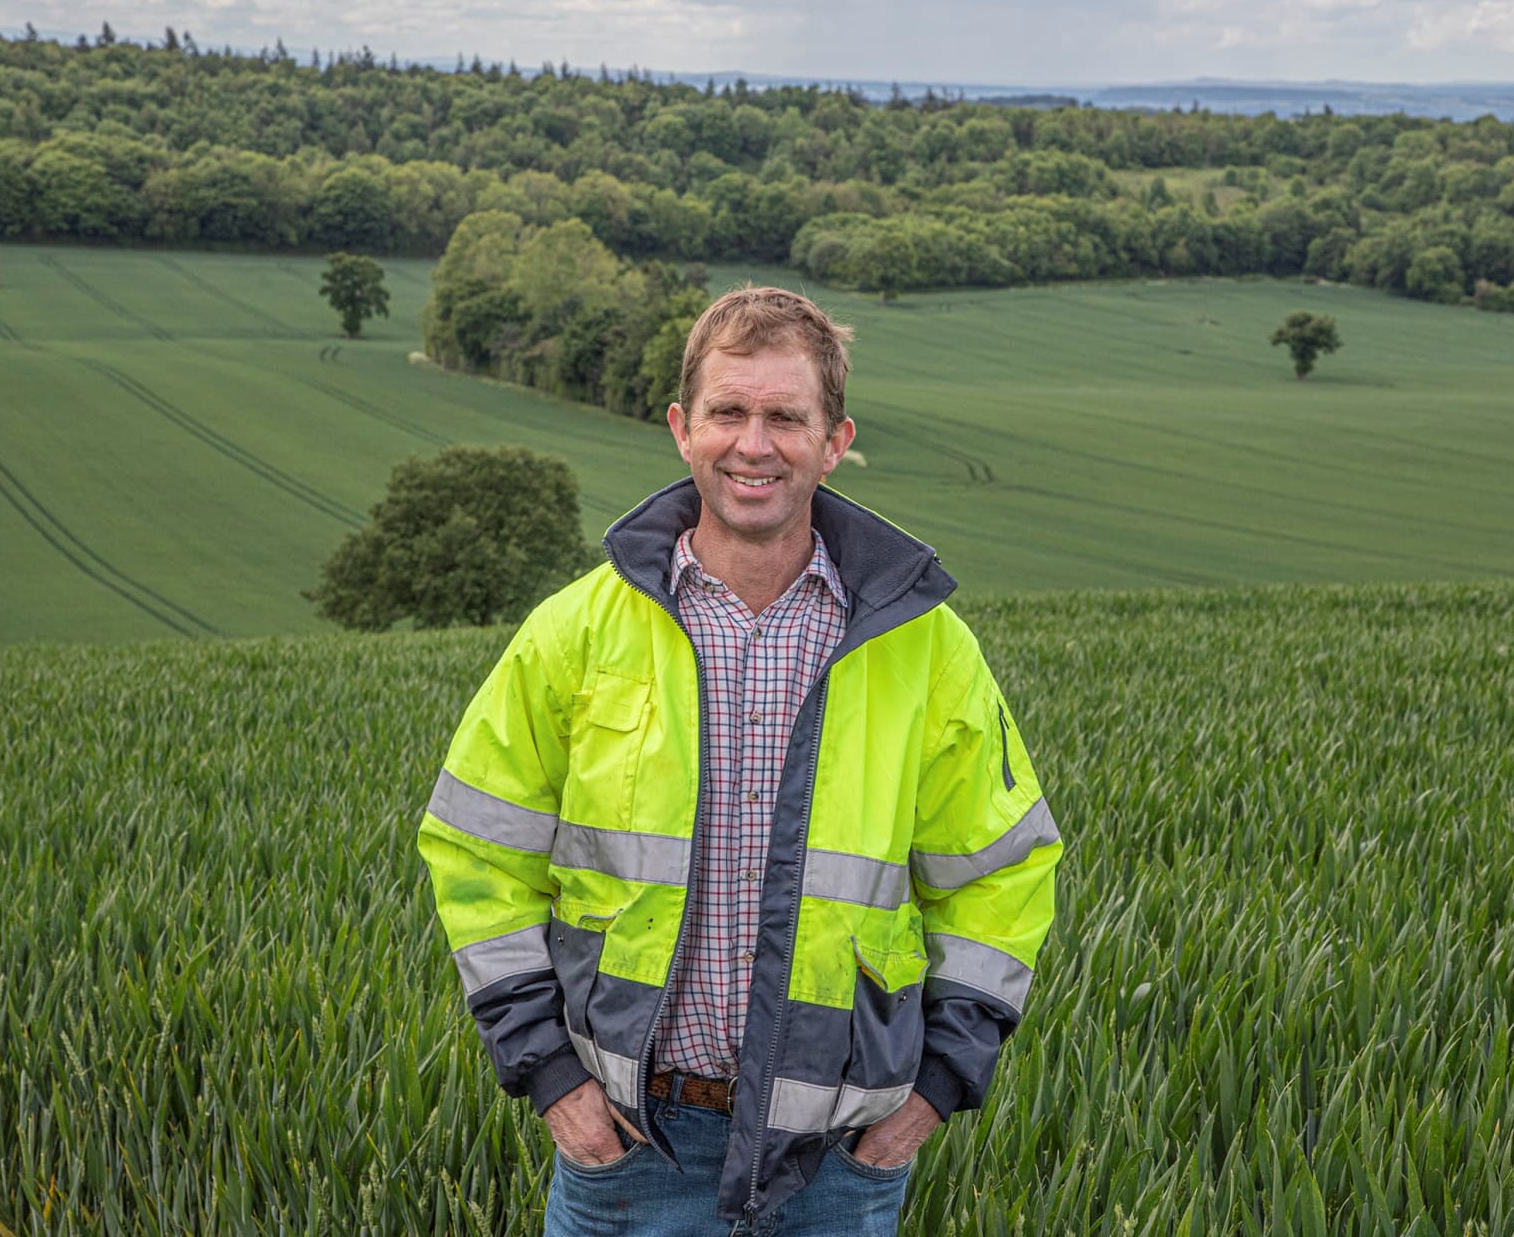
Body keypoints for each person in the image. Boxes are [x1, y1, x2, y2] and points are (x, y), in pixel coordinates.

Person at [418, 287, 1059, 1235]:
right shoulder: (574, 631)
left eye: (785, 417)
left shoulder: (925, 646)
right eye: (728, 412)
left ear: (834, 440)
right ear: (683, 428)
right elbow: (476, 852)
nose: (753, 443)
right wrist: (557, 1085)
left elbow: (1002, 874)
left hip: (837, 1168)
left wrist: (929, 1097)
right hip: (632, 1151)